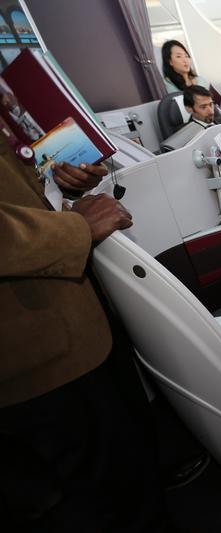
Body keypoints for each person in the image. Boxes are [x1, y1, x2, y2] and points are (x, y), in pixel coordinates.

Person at [0, 129, 172, 530]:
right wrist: (76, 227)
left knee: (130, 461)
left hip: (77, 320)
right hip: (33, 353)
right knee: (93, 497)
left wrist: (56, 181)